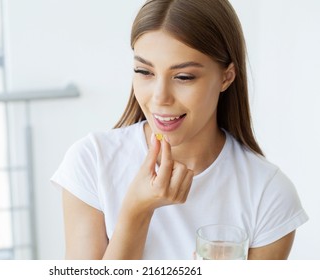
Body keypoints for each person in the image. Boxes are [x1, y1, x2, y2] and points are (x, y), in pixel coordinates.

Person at [51, 0, 308, 260]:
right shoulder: (91, 161)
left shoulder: (269, 194)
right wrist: (136, 211)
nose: (160, 97)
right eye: (144, 71)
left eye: (183, 77)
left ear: (226, 77)